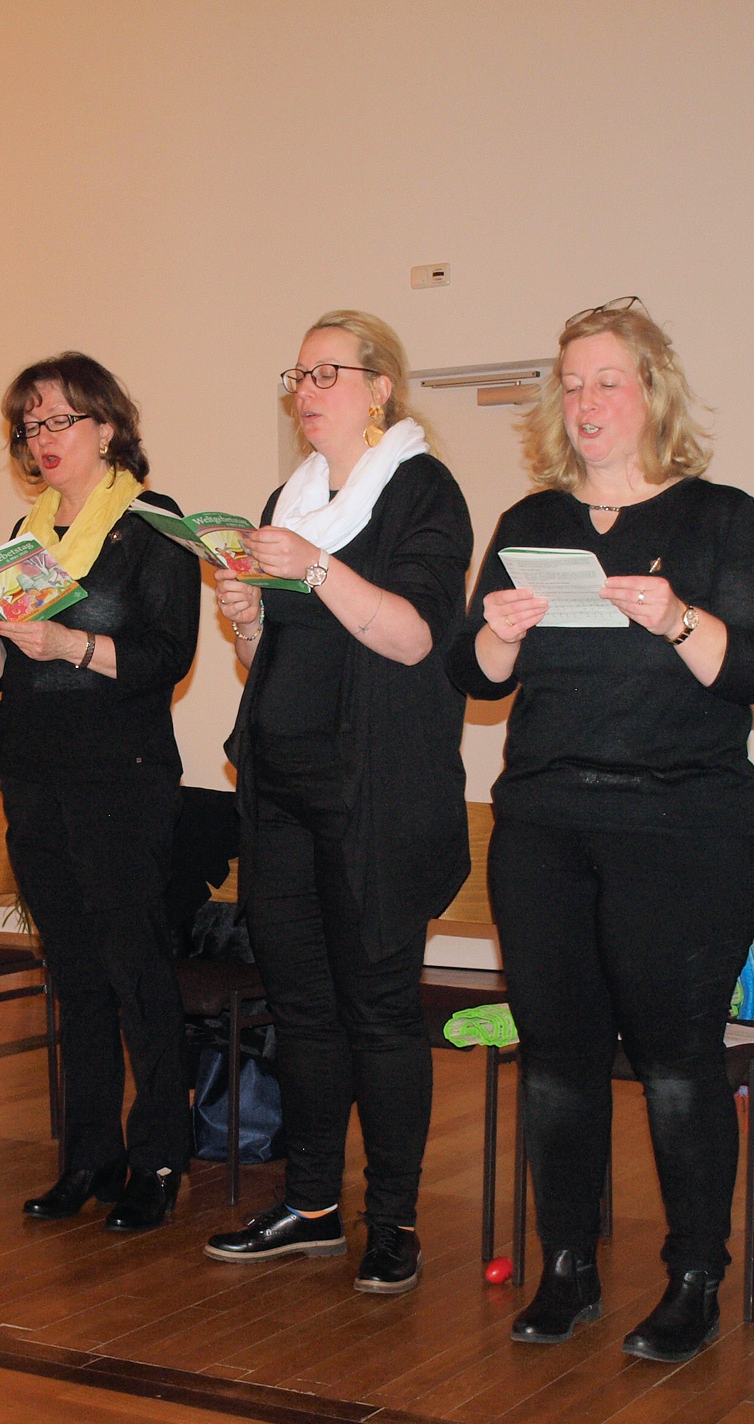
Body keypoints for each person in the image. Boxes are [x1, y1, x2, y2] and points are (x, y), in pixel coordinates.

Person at [448, 298, 754, 1361]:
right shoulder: (530, 522)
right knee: (555, 1058)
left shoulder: (718, 519)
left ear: (652, 392)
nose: (586, 401)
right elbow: (473, 674)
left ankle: (693, 1275)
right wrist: (498, 634)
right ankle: (566, 1266)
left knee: (676, 1059)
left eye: (607, 381)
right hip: (544, 825)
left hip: (681, 828)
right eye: (571, 383)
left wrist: (679, 618)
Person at [202, 310, 472, 1295]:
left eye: (327, 373)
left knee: (379, 1012)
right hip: (279, 788)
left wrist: (311, 569)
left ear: (379, 388)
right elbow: (273, 660)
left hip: (375, 797)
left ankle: (391, 1220)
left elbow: (413, 638)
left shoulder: (422, 491)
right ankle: (310, 1205)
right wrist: (244, 619)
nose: (306, 392)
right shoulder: (290, 498)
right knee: (301, 1009)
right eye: (298, 376)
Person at [0, 353, 199, 1232]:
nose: (42, 439)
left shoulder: (153, 524)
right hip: (34, 769)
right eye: (30, 426)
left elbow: (170, 656)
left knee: (135, 970)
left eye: (58, 420)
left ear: (106, 425)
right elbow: (0, 679)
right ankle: (87, 1156)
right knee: (74, 974)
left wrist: (71, 647)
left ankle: (159, 1155)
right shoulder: (24, 536)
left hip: (120, 772)